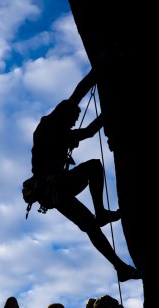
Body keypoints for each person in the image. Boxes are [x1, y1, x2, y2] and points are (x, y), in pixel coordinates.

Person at [30, 70, 142, 282]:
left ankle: (121, 268)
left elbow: (88, 125)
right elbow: (80, 97)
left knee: (90, 225)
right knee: (93, 167)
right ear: (65, 117)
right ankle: (100, 213)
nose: (74, 123)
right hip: (53, 188)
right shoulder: (52, 127)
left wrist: (99, 82)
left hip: (54, 192)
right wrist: (98, 74)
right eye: (73, 119)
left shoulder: (58, 129)